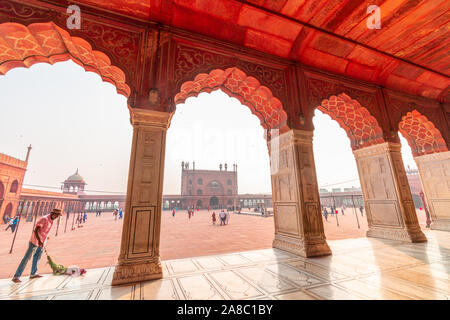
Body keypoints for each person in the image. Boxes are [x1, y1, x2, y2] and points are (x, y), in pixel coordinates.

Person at [11, 208, 62, 283]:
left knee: (37, 257)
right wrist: (39, 240)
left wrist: (45, 238)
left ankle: (33, 273)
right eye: (57, 215)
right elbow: (36, 230)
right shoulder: (44, 219)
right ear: (54, 214)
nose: (57, 217)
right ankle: (16, 276)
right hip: (35, 241)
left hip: (42, 242)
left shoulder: (51, 220)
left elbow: (44, 230)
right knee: (26, 258)